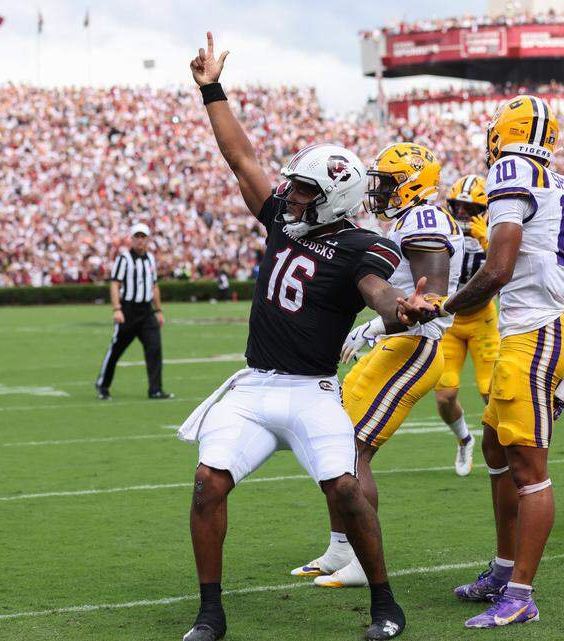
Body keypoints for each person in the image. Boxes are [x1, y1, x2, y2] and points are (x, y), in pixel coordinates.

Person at [178, 33, 434, 641]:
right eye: (293, 187)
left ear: (335, 199)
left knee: (346, 490)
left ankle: (385, 603)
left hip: (312, 390)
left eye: (304, 191)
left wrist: (403, 310)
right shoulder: (284, 222)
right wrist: (211, 89)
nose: (290, 196)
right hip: (253, 385)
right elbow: (241, 159)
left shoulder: (360, 247)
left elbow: (378, 293)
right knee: (207, 482)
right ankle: (210, 613)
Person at [439, 95, 564, 629]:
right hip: (539, 326)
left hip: (533, 331)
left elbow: (498, 268)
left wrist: (445, 309)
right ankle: (504, 570)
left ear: (505, 133)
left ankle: (521, 593)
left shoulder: (511, 169)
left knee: (530, 469)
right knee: (498, 447)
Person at [294, 142, 464, 589]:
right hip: (395, 343)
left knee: (353, 450)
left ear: (414, 183)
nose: (381, 191)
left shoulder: (425, 218)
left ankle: (363, 561)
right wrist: (374, 327)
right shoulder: (410, 219)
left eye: (389, 183)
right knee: (335, 441)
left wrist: (384, 324)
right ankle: (339, 548)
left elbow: (430, 295)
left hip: (415, 347)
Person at [433, 174, 496, 477]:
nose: (461, 214)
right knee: (444, 395)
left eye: (470, 209)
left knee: (491, 392)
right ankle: (464, 439)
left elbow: (507, 269)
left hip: (482, 319)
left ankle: (507, 447)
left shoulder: (497, 231)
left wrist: (486, 239)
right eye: (457, 206)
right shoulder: (445, 230)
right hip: (450, 323)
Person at [94, 223, 173, 400]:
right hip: (128, 310)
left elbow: (154, 286)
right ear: (131, 239)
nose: (139, 240)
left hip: (146, 311)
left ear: (147, 239)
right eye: (136, 236)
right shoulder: (124, 259)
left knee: (155, 349)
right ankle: (103, 385)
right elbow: (115, 284)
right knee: (116, 350)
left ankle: (155, 389)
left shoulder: (151, 259)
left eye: (142, 236)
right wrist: (117, 309)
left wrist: (159, 310)